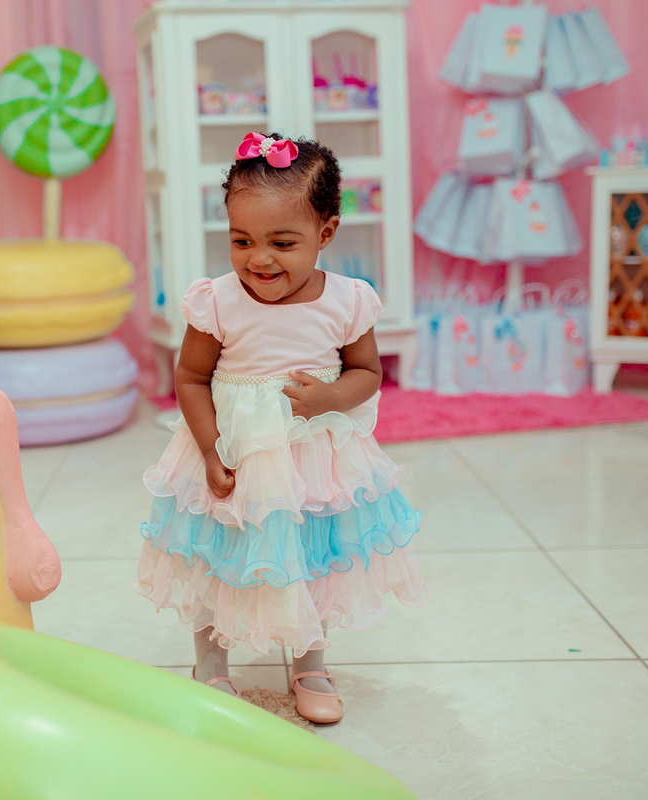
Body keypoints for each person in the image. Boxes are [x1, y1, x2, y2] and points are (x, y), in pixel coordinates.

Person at [135, 132, 428, 724]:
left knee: (310, 558)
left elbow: (368, 372)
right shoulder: (217, 302)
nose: (260, 259)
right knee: (218, 557)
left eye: (283, 243)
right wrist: (210, 449)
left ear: (326, 233)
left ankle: (309, 662)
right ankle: (210, 667)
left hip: (311, 459)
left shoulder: (347, 301)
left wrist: (330, 397)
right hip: (233, 453)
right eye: (241, 240)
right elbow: (190, 378)